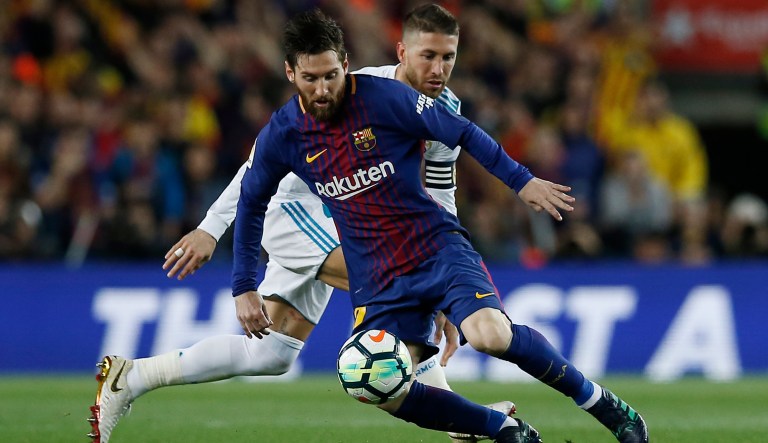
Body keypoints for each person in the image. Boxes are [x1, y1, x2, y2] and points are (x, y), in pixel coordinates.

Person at [87, 5, 514, 443]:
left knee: (273, 351)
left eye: (447, 57)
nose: (437, 68)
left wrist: (448, 260)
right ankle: (459, 424)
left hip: (345, 219)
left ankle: (132, 377)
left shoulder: (446, 107)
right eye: (427, 56)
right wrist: (211, 226)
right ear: (403, 53)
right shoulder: (363, 89)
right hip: (296, 210)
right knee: (395, 278)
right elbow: (258, 166)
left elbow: (440, 192)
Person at [229, 9, 647, 443]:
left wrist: (521, 181)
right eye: (310, 78)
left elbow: (462, 132)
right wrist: (244, 285)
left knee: (489, 336)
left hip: (435, 249)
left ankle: (601, 403)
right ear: (290, 72)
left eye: (330, 75)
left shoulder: (385, 99)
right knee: (371, 381)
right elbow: (253, 202)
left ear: (345, 64)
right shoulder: (282, 134)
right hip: (377, 278)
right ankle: (503, 429)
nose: (322, 89)